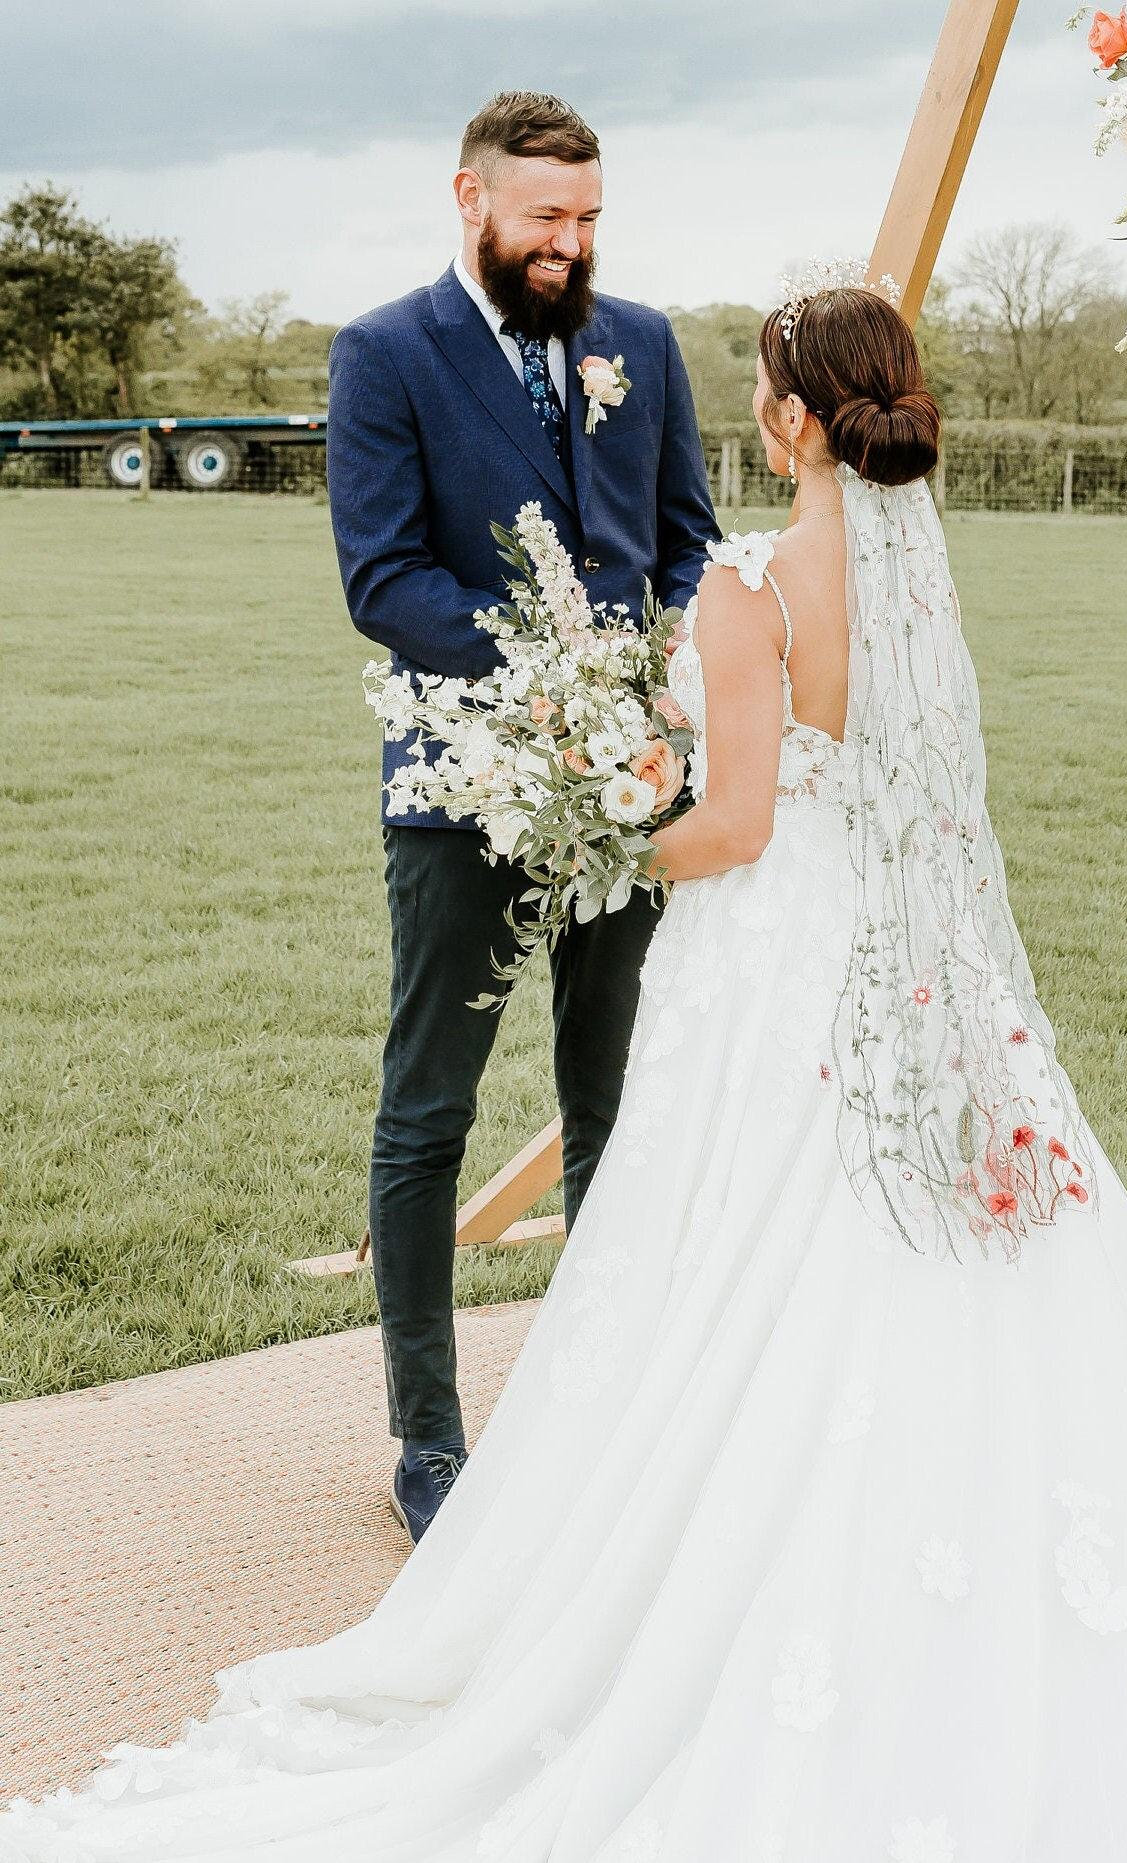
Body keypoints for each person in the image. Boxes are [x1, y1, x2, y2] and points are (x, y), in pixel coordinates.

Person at [6, 281, 1127, 1862]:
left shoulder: (749, 586)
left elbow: (736, 828)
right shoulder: (922, 579)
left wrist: (596, 834)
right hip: (922, 968)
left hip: (779, 964)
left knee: (736, 1242)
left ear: (789, 418)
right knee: (935, 1257)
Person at [323, 90, 717, 1542]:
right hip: (461, 785)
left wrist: (664, 669)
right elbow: (385, 580)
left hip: (632, 790)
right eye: (547, 217)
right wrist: (553, 673)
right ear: (471, 199)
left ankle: (602, 1406)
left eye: (592, 217)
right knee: (430, 1106)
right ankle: (427, 1439)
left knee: (615, 1094)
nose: (572, 244)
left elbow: (683, 538)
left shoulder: (649, 345)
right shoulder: (383, 354)